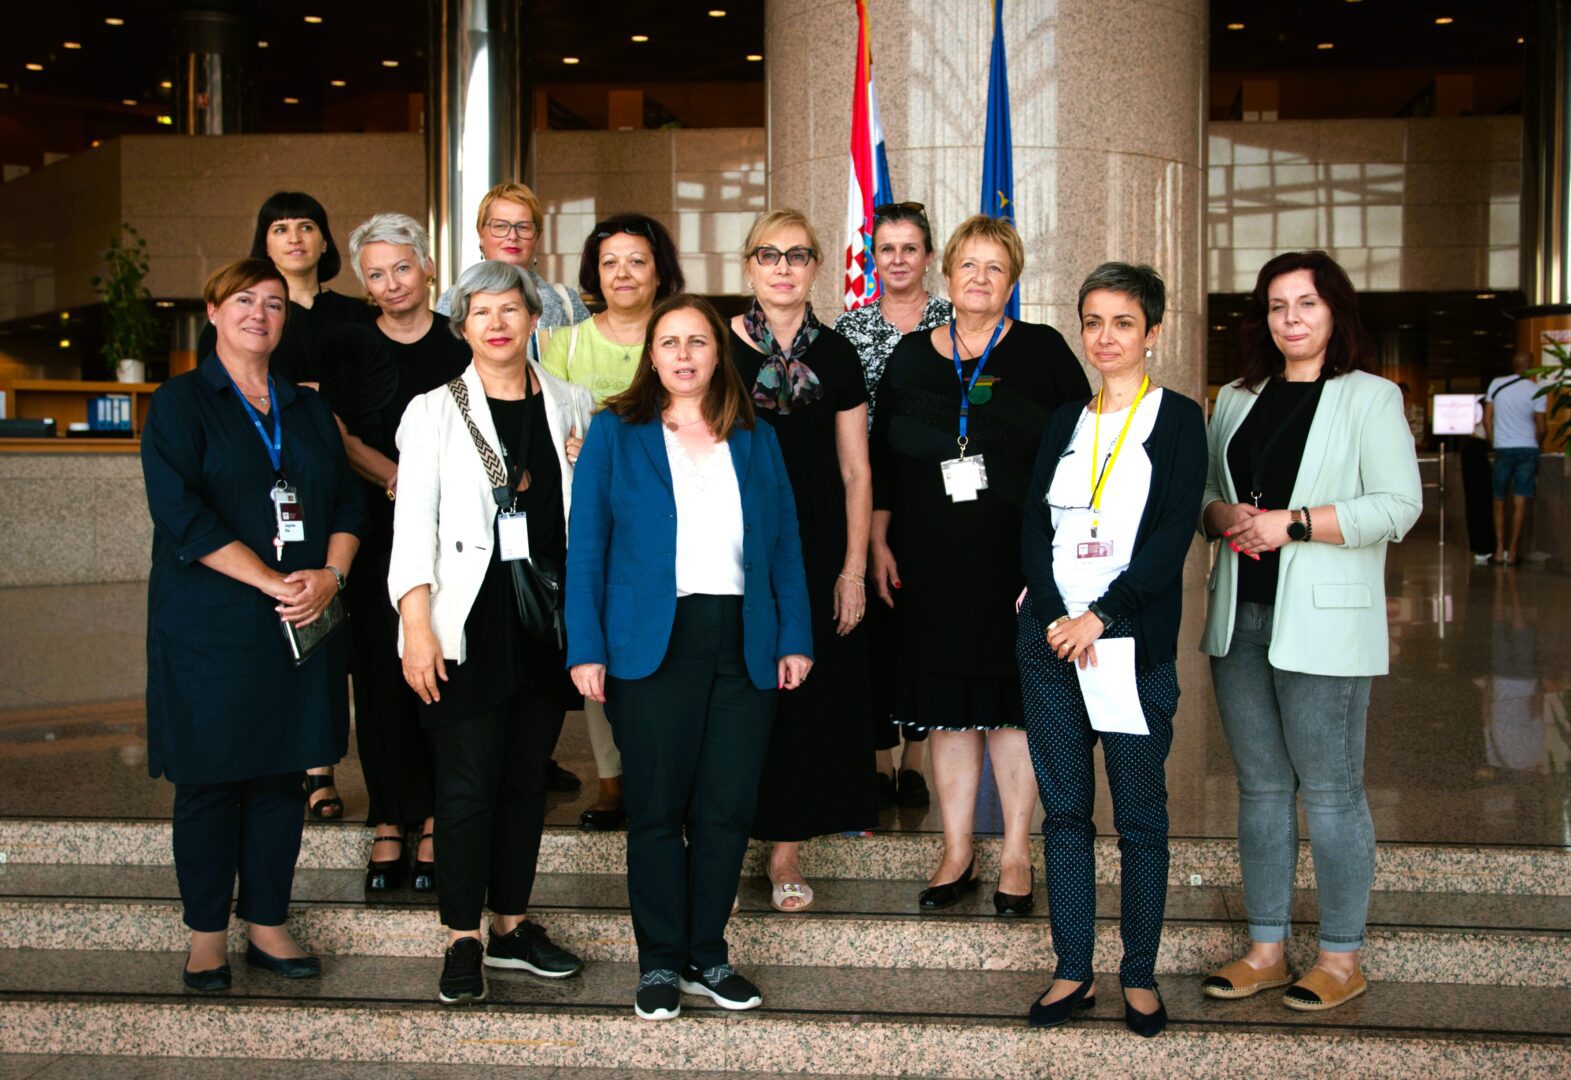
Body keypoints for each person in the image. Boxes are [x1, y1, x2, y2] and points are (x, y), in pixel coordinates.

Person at [566, 293, 813, 1021]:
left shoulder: (755, 434)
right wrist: (586, 645)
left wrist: (795, 636)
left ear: (717, 352)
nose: (683, 354)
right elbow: (587, 549)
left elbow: (784, 544)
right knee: (655, 809)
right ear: (651, 355)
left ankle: (708, 954)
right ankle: (658, 962)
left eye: (697, 341)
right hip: (651, 644)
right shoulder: (615, 431)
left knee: (726, 808)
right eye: (668, 342)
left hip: (743, 638)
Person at [1199, 250, 1422, 1012]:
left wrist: (1291, 523)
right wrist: (1222, 515)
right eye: (1276, 306)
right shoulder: (1236, 398)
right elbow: (1208, 493)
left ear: (1334, 311)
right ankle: (1265, 950)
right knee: (1260, 790)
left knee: (1329, 793)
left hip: (1323, 624)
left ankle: (1339, 957)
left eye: (1305, 303)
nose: (1289, 319)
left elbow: (1397, 506)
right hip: (1240, 617)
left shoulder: (1370, 398)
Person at [141, 258, 365, 991]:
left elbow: (347, 502)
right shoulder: (180, 403)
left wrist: (330, 576)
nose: (259, 314)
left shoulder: (305, 409)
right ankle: (206, 934)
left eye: (273, 304)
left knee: (279, 777)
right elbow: (182, 515)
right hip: (210, 624)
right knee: (209, 780)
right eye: (244, 300)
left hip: (301, 616)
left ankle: (268, 922)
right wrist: (272, 580)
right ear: (213, 312)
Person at [869, 214, 1091, 914]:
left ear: (1012, 279)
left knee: (1012, 709)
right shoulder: (911, 356)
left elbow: (1081, 453)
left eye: (995, 267)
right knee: (948, 712)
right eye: (968, 265)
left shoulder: (1043, 351)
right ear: (947, 274)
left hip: (1017, 563)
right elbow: (881, 461)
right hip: (929, 562)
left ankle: (1017, 852)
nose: (979, 278)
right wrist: (877, 539)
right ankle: (956, 849)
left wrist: (1064, 560)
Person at [389, 261, 592, 1005]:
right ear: (463, 326)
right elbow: (413, 526)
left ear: (535, 319)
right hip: (465, 622)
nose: (498, 323)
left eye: (511, 309)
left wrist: (589, 464)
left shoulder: (573, 402)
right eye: (481, 311)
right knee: (467, 785)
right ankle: (461, 937)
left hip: (544, 618)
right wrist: (416, 623)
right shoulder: (432, 411)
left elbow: (589, 513)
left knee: (524, 780)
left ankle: (510, 925)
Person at [1017, 264, 1206, 1037]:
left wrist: (1100, 617)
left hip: (1127, 643)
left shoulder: (1178, 419)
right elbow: (1033, 524)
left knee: (1138, 817)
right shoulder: (1065, 418)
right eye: (1092, 321)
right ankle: (1072, 968)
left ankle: (1137, 974)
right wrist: (1056, 616)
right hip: (1050, 643)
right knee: (1063, 813)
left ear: (1151, 332)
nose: (1104, 337)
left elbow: (1169, 540)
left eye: (1122, 322)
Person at [196, 191, 378, 819]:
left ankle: (328, 755)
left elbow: (375, 396)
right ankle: (310, 769)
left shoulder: (356, 314)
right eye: (280, 228)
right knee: (290, 624)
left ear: (326, 240)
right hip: (271, 500)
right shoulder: (244, 318)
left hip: (347, 488)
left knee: (349, 638)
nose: (295, 238)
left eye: (307, 227)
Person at [318, 213, 471, 894]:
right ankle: (389, 814)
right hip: (376, 525)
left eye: (402, 268)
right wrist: (399, 480)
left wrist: (434, 492)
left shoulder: (460, 341)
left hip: (455, 528)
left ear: (428, 267)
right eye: (376, 274)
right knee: (380, 673)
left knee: (444, 667)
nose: (391, 283)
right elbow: (338, 433)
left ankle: (436, 813)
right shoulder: (347, 346)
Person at [729, 209, 875, 912]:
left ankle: (784, 850)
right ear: (749, 265)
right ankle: (725, 840)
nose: (782, 267)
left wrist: (852, 570)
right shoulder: (716, 346)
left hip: (816, 544)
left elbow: (856, 471)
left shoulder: (839, 355)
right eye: (769, 254)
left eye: (797, 255)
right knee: (735, 691)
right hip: (733, 541)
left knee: (805, 695)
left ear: (817, 266)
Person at [542, 212, 685, 831]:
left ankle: (668, 775)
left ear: (659, 271)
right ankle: (611, 779)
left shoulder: (681, 333)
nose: (623, 273)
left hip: (671, 519)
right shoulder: (562, 345)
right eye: (609, 263)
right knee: (598, 640)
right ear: (593, 275)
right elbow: (547, 428)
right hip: (593, 518)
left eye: (636, 261)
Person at [832, 200, 952, 809]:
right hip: (863, 494)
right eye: (887, 249)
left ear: (928, 256)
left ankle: (915, 759)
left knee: (926, 623)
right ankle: (879, 755)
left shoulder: (955, 321)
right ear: (872, 258)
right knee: (873, 628)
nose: (898, 259)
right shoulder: (848, 330)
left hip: (938, 501)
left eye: (910, 248)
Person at [436, 181, 591, 364]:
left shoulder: (568, 301)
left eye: (523, 227)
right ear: (481, 235)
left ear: (537, 237)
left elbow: (587, 367)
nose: (512, 236)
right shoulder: (451, 302)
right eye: (500, 226)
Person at [1484, 351, 1548, 566]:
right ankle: (1512, 552)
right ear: (1531, 367)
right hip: (1527, 448)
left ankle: (1498, 550)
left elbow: (1486, 419)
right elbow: (1542, 427)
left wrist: (1494, 441)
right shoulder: (1537, 390)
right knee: (1520, 500)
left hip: (1503, 448)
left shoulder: (1496, 384)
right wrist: (1538, 443)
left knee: (1498, 499)